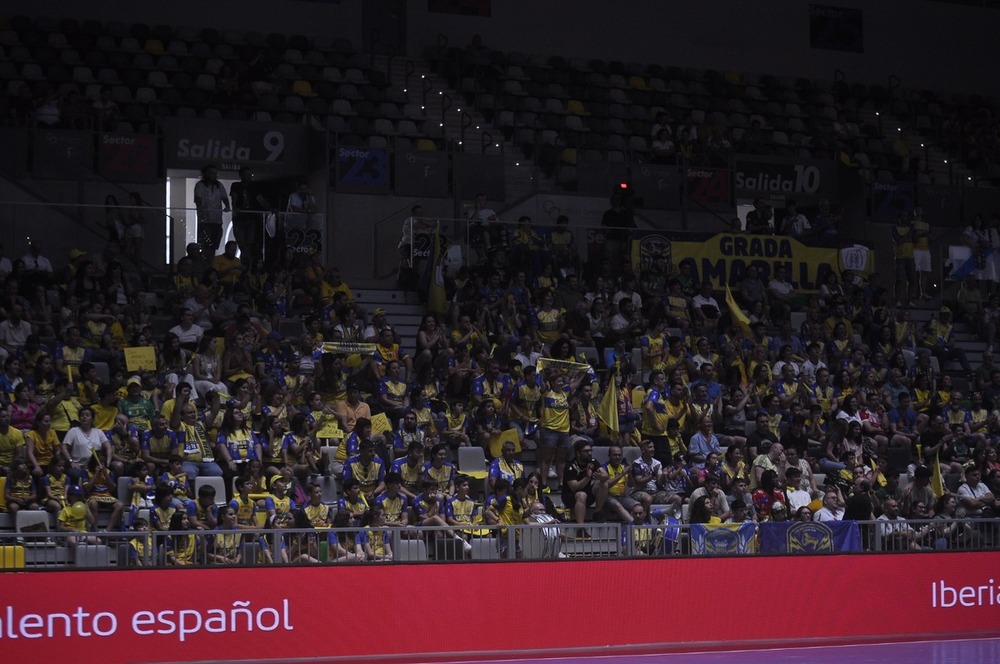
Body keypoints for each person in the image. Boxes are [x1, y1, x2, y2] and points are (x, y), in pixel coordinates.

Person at [229, 167, 273, 264]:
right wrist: (235, 208)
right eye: (246, 175)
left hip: (251, 218)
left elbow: (260, 199)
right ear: (241, 176)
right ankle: (250, 261)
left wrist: (270, 208)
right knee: (241, 242)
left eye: (250, 175)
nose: (248, 177)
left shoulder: (254, 187)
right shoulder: (236, 185)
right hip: (239, 217)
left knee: (249, 243)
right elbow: (234, 198)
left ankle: (246, 263)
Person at [193, 164, 231, 257]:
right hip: (205, 220)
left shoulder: (219, 185)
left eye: (215, 173)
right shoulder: (200, 185)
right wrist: (200, 208)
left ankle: (211, 261)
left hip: (217, 220)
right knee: (206, 244)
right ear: (206, 174)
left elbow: (224, 197)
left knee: (214, 244)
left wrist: (227, 206)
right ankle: (206, 263)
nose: (215, 175)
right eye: (212, 173)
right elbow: (198, 198)